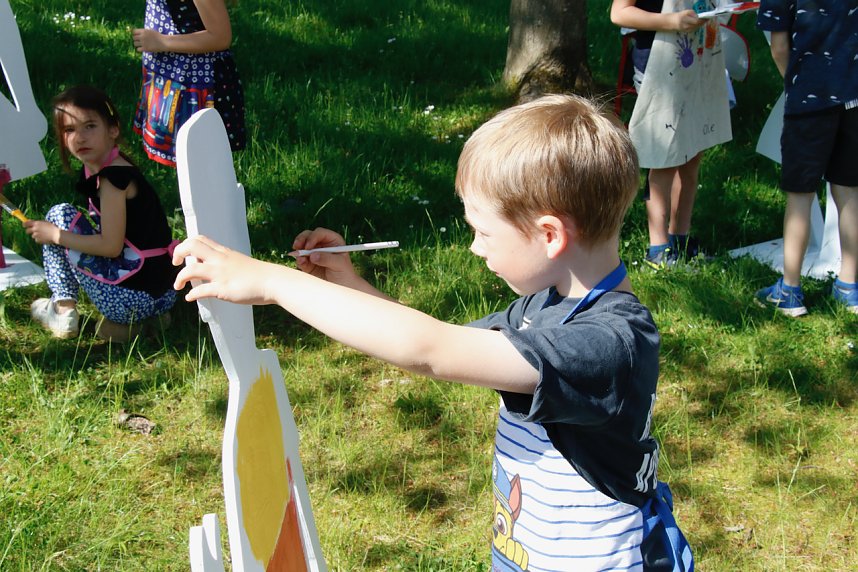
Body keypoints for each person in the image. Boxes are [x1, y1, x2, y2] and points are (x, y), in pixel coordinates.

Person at [172, 94, 694, 571]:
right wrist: (350, 283)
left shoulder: (608, 344)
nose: (475, 248)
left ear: (550, 235)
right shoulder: (546, 309)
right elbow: (442, 340)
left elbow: (430, 350)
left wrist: (270, 282)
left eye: (482, 232)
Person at [24, 85, 178, 341]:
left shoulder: (111, 179)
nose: (80, 138)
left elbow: (110, 247)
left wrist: (56, 235)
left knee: (59, 215)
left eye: (90, 126)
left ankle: (63, 312)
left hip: (131, 298)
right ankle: (149, 322)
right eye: (69, 130)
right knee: (66, 226)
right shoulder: (114, 167)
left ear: (113, 129)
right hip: (162, 294)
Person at [754, 1, 858, 316]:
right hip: (854, 97)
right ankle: (849, 286)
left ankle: (790, 290)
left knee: (800, 195)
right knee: (850, 191)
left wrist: (796, 86)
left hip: (809, 101)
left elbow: (778, 47)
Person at [611, 0, 732, 268]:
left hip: (697, 59)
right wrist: (671, 22)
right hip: (658, 65)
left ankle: (681, 239)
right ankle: (658, 249)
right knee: (664, 158)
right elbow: (619, 13)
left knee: (692, 152)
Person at [132, 0, 246, 167]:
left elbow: (220, 37)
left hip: (197, 87)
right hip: (173, 79)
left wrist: (163, 42)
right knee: (190, 171)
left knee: (203, 168)